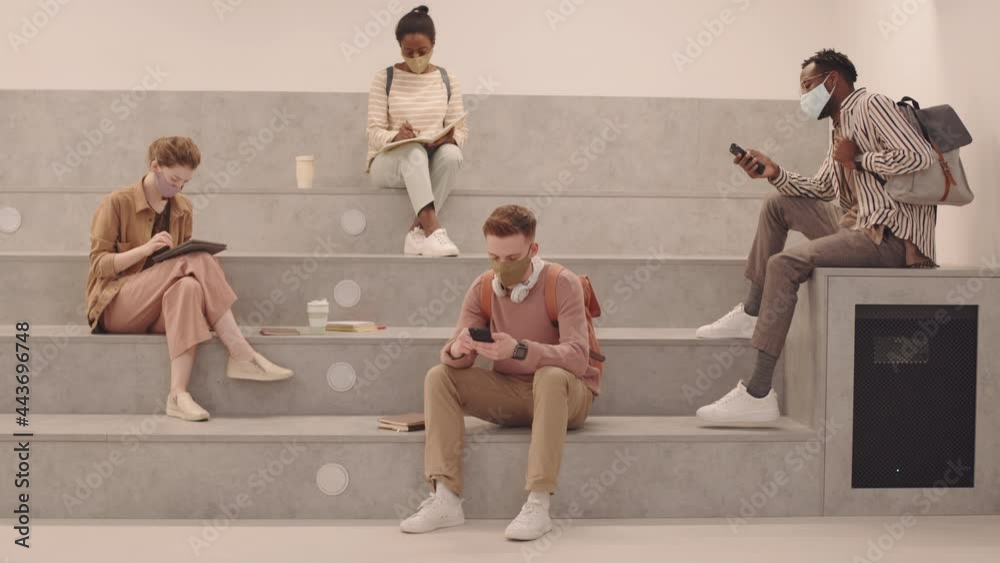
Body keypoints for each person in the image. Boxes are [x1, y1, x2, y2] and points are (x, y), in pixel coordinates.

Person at [695, 49, 937, 424]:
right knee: (778, 201)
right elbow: (824, 186)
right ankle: (752, 311)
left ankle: (758, 393)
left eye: (808, 86)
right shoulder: (840, 121)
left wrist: (857, 160)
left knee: (785, 263)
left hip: (889, 239)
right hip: (857, 226)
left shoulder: (871, 104)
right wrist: (773, 171)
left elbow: (920, 157)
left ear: (832, 81)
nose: (804, 96)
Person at [400, 205, 600, 540]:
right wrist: (459, 350)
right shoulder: (482, 288)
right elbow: (453, 355)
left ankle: (538, 503)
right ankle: (445, 498)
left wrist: (520, 349)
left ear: (533, 250)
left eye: (512, 258)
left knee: (550, 376)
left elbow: (579, 359)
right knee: (439, 375)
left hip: (565, 396)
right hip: (510, 393)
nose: (502, 266)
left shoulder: (562, 283)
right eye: (494, 257)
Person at [86, 136, 294, 422]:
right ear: (154, 166)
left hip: (158, 309)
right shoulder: (117, 203)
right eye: (173, 180)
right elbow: (99, 266)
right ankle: (240, 351)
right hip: (117, 306)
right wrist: (145, 250)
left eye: (185, 182)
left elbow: (180, 265)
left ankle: (177, 395)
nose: (178, 188)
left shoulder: (182, 207)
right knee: (196, 260)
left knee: (188, 286)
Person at [366, 5, 468, 257]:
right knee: (413, 151)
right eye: (408, 51)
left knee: (453, 156)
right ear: (398, 46)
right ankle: (434, 231)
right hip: (389, 164)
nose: (416, 58)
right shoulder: (384, 78)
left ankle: (416, 233)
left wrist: (450, 138)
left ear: (433, 45)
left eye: (422, 51)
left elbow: (461, 129)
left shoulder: (448, 79)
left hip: (429, 159)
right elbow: (373, 132)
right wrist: (395, 136)